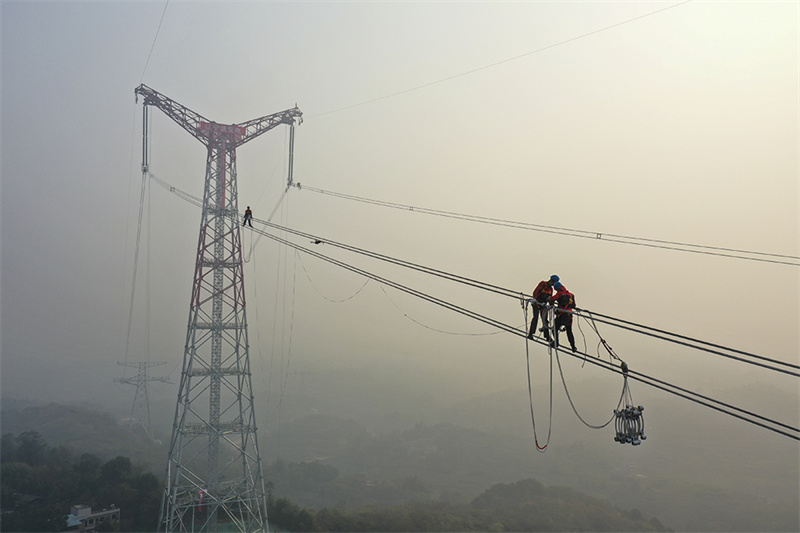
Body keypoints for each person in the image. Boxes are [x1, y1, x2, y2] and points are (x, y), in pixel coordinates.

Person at [528, 275, 559, 341]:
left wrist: (552, 305)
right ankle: (530, 334)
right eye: (553, 282)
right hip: (536, 303)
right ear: (551, 280)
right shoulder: (543, 284)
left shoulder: (551, 289)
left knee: (545, 320)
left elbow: (550, 298)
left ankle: (547, 337)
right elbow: (536, 292)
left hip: (543, 305)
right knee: (535, 317)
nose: (553, 284)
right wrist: (535, 299)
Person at [550, 281, 577, 352]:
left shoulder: (560, 294)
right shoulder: (571, 295)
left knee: (554, 329)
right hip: (569, 315)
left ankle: (556, 342)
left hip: (561, 315)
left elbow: (552, 299)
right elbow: (574, 305)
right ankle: (573, 346)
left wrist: (549, 300)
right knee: (569, 331)